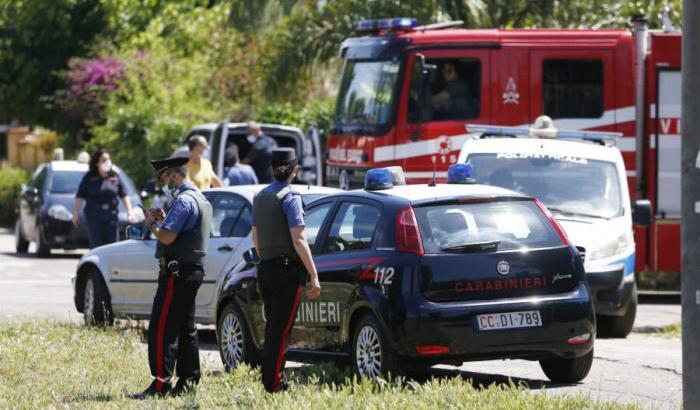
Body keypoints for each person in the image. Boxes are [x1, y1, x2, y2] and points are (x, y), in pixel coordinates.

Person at [133, 156, 213, 399]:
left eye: (165, 177)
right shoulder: (200, 198)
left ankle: (160, 384)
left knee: (162, 327)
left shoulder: (183, 201)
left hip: (175, 274)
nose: (164, 182)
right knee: (186, 328)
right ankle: (188, 380)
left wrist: (152, 224)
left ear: (175, 175)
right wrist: (164, 216)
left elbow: (167, 238)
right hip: (192, 270)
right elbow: (187, 231)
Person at [252, 148, 321, 393]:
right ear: (295, 170)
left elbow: (255, 236)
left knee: (273, 328)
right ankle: (274, 384)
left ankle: (270, 379)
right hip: (286, 272)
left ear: (272, 168)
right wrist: (313, 274)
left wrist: (265, 260)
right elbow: (298, 238)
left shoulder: (260, 197)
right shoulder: (291, 197)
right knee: (281, 332)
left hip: (266, 268)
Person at [73, 149, 135, 249]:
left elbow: (123, 195)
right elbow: (80, 196)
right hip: (94, 215)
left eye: (108, 159)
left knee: (112, 244)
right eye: (104, 160)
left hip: (111, 215)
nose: (107, 162)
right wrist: (75, 213)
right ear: (97, 163)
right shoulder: (89, 177)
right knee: (96, 244)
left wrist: (130, 211)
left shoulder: (114, 176)